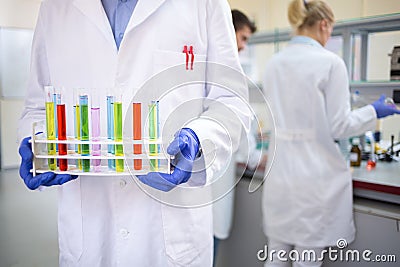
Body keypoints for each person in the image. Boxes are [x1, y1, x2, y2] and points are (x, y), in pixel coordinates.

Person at [17, 0, 250, 266]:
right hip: (90, 236)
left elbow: (231, 100)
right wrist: (36, 144)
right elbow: (37, 106)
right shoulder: (56, 6)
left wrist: (199, 139)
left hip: (172, 236)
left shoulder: (204, 4)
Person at [261, 0, 400, 266]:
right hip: (313, 180)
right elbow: (341, 126)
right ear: (324, 25)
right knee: (306, 261)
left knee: (275, 258)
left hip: (280, 179)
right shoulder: (330, 63)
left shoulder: (274, 64)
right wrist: (374, 111)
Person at [212, 9, 259, 265]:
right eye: (243, 38)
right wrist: (254, 157)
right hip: (211, 186)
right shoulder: (228, 71)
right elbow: (241, 138)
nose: (243, 46)